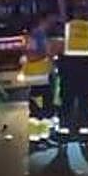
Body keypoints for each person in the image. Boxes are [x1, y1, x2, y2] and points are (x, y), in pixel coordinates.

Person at [56, 5, 88, 143]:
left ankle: (64, 131)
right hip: (87, 68)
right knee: (85, 100)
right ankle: (84, 131)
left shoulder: (67, 27)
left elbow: (58, 47)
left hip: (69, 68)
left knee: (67, 100)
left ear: (74, 14)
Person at [20, 13, 56, 148]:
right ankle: (36, 140)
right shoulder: (35, 36)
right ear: (43, 20)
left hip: (43, 76)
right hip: (37, 78)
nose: (53, 21)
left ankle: (43, 138)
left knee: (46, 109)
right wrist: (47, 54)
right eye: (51, 18)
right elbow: (30, 55)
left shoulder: (41, 35)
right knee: (37, 110)